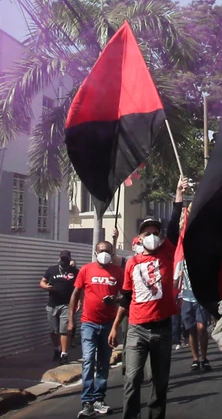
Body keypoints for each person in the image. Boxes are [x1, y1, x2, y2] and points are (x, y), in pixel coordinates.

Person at [109, 179, 184, 419]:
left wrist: (179, 195)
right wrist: (114, 327)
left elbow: (173, 224)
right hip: (136, 329)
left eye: (155, 233)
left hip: (162, 329)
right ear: (139, 238)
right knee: (132, 378)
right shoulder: (131, 263)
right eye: (147, 233)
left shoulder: (167, 252)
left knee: (160, 382)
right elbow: (127, 298)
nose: (152, 236)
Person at [69, 240, 123, 418]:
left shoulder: (117, 272)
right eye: (101, 250)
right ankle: (87, 402)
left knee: (103, 363)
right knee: (88, 360)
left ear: (112, 251)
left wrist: (114, 300)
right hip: (89, 323)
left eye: (107, 250)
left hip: (109, 324)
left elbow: (125, 296)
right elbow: (76, 294)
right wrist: (71, 320)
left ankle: (99, 399)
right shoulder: (86, 270)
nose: (104, 253)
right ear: (95, 252)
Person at [40, 249, 79, 363]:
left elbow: (80, 288)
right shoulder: (52, 270)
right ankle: (57, 349)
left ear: (70, 259)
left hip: (67, 305)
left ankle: (64, 354)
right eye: (62, 259)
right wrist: (47, 287)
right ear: (59, 258)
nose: (64, 261)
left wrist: (80, 301)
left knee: (64, 330)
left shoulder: (75, 272)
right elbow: (42, 282)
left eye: (66, 259)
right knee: (53, 331)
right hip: (52, 304)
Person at [176, 250, 211, 371]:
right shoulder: (180, 262)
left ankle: (204, 358)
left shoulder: (202, 260)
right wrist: (179, 277)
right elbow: (175, 285)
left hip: (200, 298)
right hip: (186, 299)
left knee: (201, 328)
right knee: (191, 330)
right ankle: (196, 359)